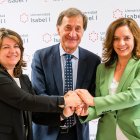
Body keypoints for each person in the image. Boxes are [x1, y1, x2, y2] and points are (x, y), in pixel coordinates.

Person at [0, 28, 82, 140]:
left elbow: (36, 114)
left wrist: (63, 114)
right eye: (6, 47)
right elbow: (25, 100)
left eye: (16, 46)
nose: (13, 51)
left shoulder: (23, 79)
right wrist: (64, 100)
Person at [31, 7, 100, 140]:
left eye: (78, 28)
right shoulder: (41, 57)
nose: (73, 34)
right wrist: (65, 105)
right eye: (68, 27)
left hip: (78, 133)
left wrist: (83, 107)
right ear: (58, 29)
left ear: (83, 31)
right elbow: (39, 95)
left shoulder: (93, 61)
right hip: (47, 132)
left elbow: (94, 97)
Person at [76, 17, 140, 140]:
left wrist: (93, 101)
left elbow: (133, 97)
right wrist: (87, 112)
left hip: (133, 133)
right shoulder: (102, 69)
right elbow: (101, 105)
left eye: (127, 38)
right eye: (116, 39)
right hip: (106, 134)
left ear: (135, 39)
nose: (121, 43)